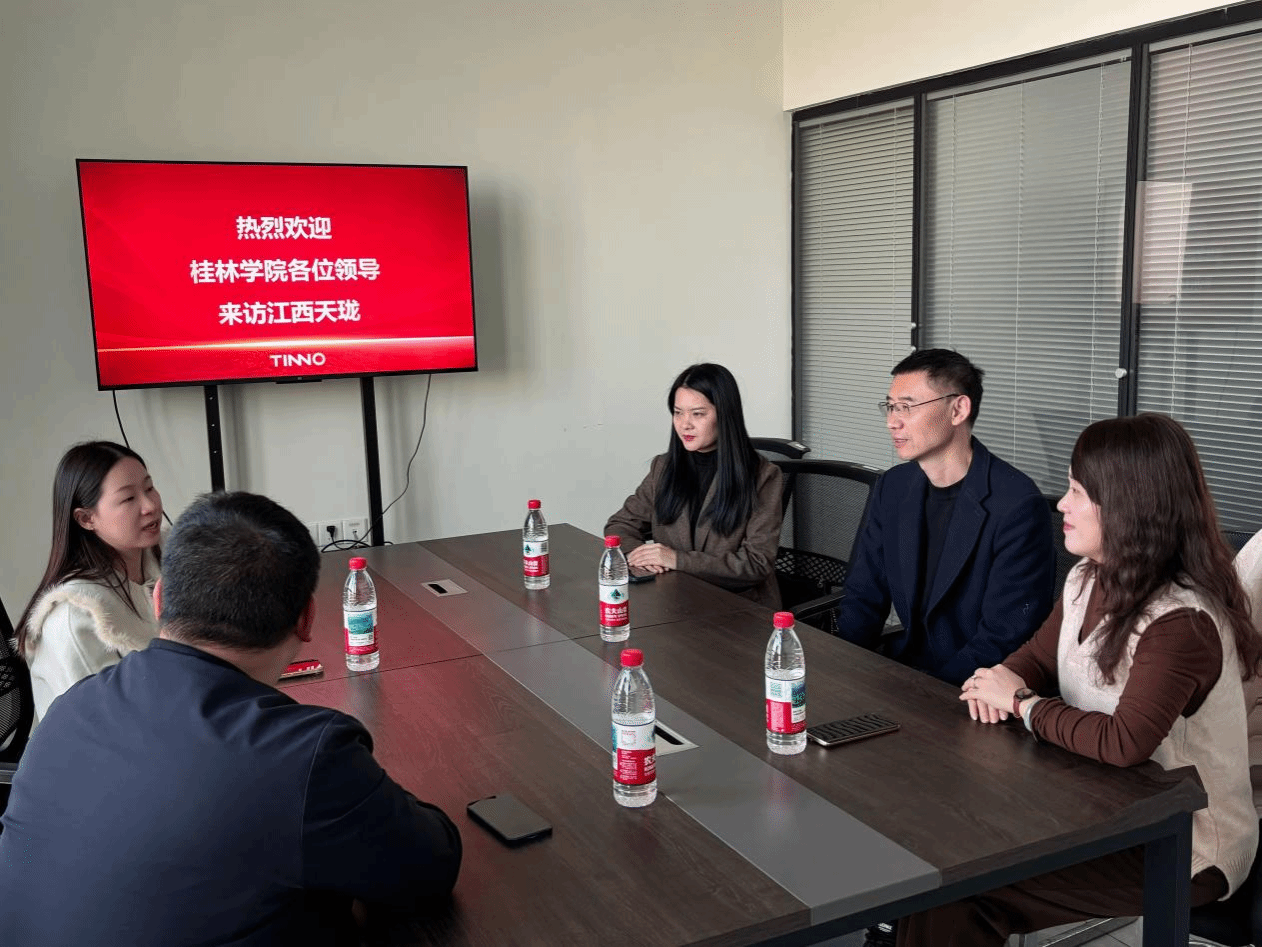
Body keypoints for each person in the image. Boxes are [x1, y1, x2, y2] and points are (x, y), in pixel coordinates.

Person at [0, 491, 462, 947]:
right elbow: (430, 867)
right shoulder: (303, 759)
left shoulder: (69, 709)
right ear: (306, 619)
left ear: (159, 602)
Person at [897, 413, 1261, 946]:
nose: (1061, 505)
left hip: (1184, 842)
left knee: (963, 890)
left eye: (1076, 492)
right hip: (1094, 807)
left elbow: (1124, 743)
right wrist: (1003, 677)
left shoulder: (1181, 621)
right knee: (941, 852)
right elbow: (1039, 658)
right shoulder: (1088, 577)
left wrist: (1021, 703)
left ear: (1128, 505)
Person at [837, 349, 1055, 686]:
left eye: (907, 407)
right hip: (904, 670)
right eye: (891, 406)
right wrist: (839, 670)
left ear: (958, 410)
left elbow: (1004, 636)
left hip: (973, 689)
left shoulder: (1017, 504)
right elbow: (863, 595)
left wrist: (929, 694)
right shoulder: (894, 486)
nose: (892, 421)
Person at [605, 362, 784, 607]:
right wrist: (643, 556)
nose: (685, 424)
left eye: (697, 414)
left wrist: (676, 560)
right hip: (674, 600)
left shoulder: (763, 476)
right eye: (678, 412)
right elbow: (619, 525)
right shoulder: (663, 467)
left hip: (739, 608)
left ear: (725, 415)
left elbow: (756, 563)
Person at [15, 440, 163, 723]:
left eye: (149, 488)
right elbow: (106, 729)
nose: (150, 505)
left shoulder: (172, 557)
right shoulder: (74, 616)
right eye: (128, 499)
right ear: (86, 519)